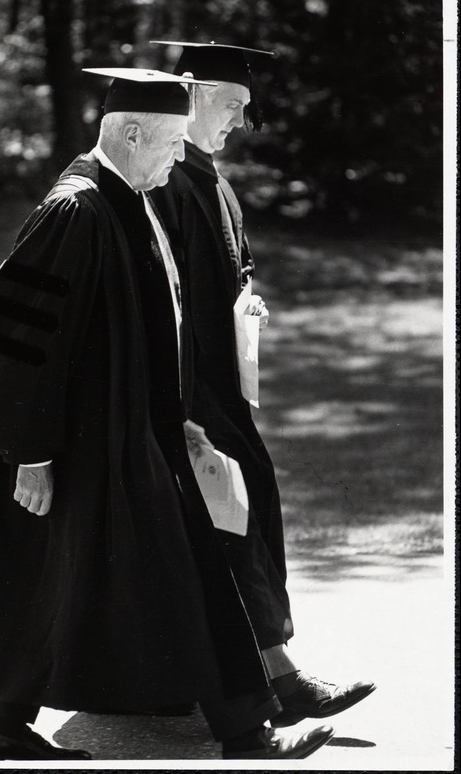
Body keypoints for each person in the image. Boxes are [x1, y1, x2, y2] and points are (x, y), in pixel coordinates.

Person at [0, 68, 334, 761]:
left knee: (84, 578)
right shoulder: (78, 209)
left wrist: (178, 416)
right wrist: (30, 455)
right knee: (119, 575)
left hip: (129, 434)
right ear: (134, 132)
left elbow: (146, 328)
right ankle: (246, 734)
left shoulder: (129, 200)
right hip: (67, 445)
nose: (182, 158)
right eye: (174, 143)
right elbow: (25, 340)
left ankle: (5, 731)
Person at [151, 40, 376, 726]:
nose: (242, 122)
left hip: (224, 388)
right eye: (233, 105)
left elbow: (227, 275)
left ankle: (255, 676)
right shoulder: (165, 181)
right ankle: (276, 679)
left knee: (239, 522)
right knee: (233, 524)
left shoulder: (211, 180)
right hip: (194, 396)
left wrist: (248, 304)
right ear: (190, 93)